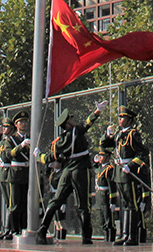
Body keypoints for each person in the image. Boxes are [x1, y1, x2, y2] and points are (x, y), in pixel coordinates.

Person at [34, 100, 108, 245]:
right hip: (80, 170)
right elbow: (87, 123)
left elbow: (50, 157)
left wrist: (38, 156)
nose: (74, 121)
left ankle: (42, 230)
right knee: (83, 204)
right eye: (71, 120)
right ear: (67, 124)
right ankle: (86, 237)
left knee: (56, 200)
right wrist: (97, 111)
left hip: (67, 171)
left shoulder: (59, 141)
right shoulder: (76, 132)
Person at [107, 105, 149, 246]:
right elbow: (105, 146)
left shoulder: (133, 134)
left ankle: (132, 236)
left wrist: (130, 166)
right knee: (124, 204)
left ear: (129, 120)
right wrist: (107, 135)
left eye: (122, 117)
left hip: (127, 172)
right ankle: (124, 235)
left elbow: (143, 153)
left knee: (132, 204)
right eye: (119, 117)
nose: (119, 119)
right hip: (119, 172)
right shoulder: (119, 134)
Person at [2, 110, 31, 236]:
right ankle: (14, 230)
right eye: (21, 122)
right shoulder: (11, 139)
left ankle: (24, 228)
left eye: (25, 121)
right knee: (14, 204)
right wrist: (21, 146)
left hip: (27, 173)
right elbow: (9, 154)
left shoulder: (31, 137)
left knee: (25, 204)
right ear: (16, 124)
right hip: (15, 174)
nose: (24, 124)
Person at [94, 137, 118, 243]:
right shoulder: (99, 168)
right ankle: (105, 238)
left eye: (102, 156)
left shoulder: (109, 169)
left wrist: (113, 202)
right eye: (99, 156)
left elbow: (112, 187)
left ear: (107, 157)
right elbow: (93, 167)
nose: (100, 157)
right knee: (102, 220)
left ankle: (110, 239)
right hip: (100, 197)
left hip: (106, 196)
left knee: (109, 221)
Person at [0, 116, 15, 240]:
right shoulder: (4, 140)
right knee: (8, 203)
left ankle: (10, 229)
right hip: (2, 174)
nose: (4, 129)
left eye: (6, 127)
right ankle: (7, 229)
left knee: (11, 204)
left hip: (9, 173)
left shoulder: (12, 141)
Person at [46, 161, 67, 240]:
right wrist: (48, 166)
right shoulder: (53, 174)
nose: (54, 164)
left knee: (60, 220)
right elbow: (46, 174)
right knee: (56, 220)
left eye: (56, 162)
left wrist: (63, 203)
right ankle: (57, 236)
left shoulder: (61, 174)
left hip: (59, 196)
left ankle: (62, 237)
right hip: (53, 196)